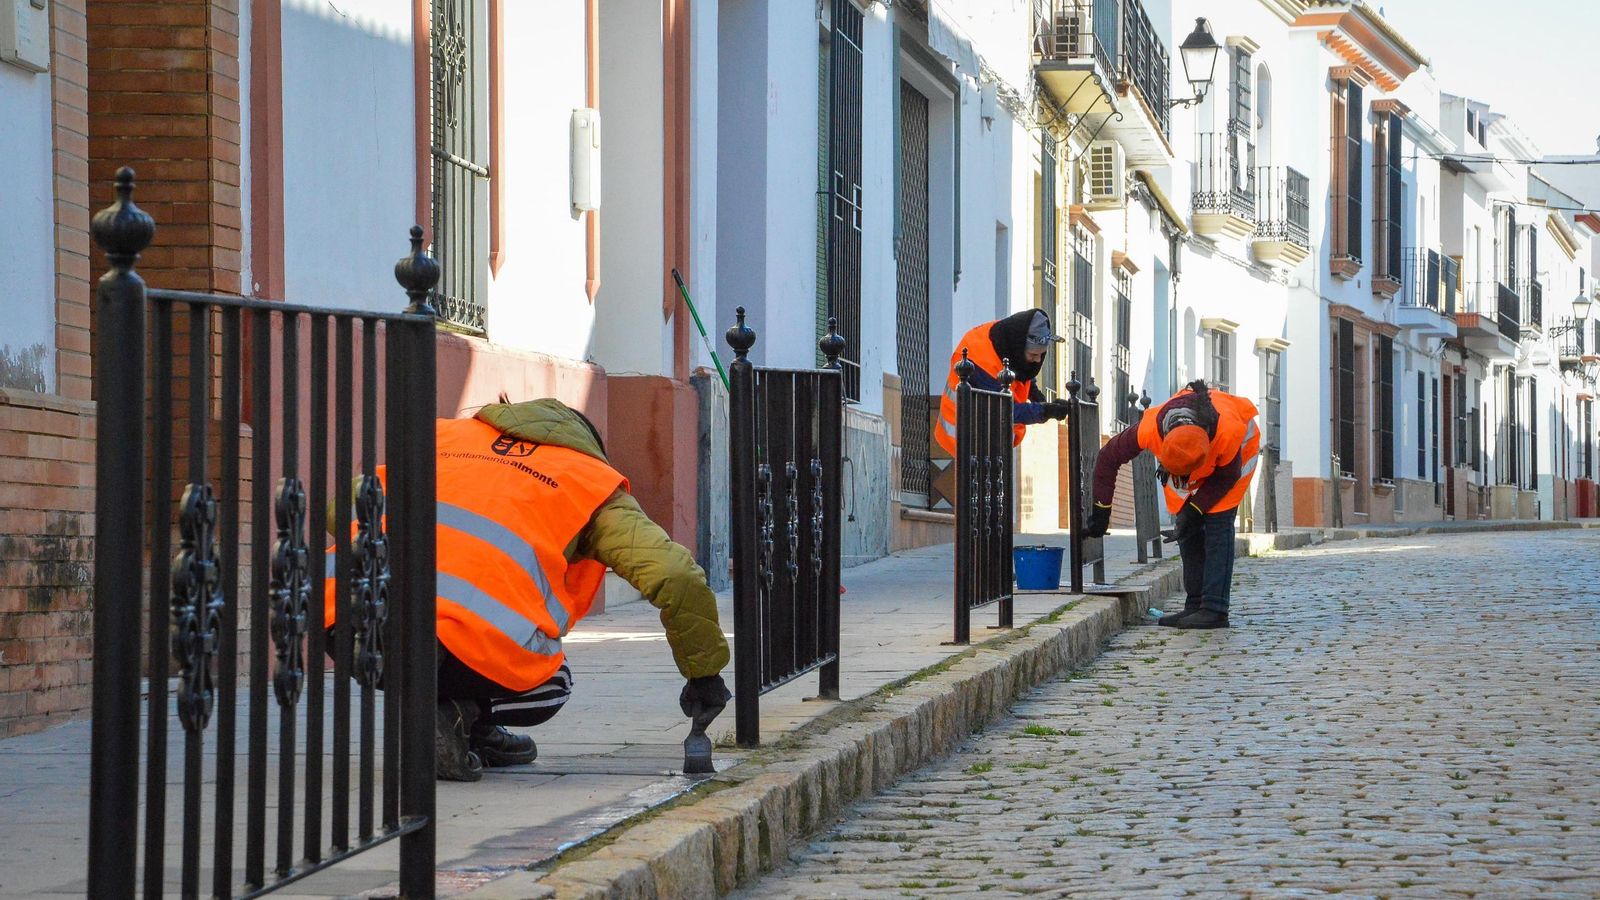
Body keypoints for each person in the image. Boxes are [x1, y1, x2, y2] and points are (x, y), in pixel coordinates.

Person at [326, 397, 731, 781]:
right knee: (555, 684)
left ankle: (464, 723)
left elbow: (340, 508)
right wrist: (704, 675)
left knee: (416, 634)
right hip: (467, 649)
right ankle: (461, 712)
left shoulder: (444, 437)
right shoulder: (588, 480)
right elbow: (676, 574)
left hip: (352, 625)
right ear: (586, 445)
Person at [1082, 380, 1260, 629]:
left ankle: (1215, 609)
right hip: (1195, 460)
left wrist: (1196, 508)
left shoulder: (1228, 431)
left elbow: (1225, 477)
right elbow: (1108, 457)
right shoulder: (1149, 428)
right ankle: (1195, 605)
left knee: (1217, 524)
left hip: (1238, 456)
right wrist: (1101, 511)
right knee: (1187, 529)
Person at [935, 309, 1070, 456]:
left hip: (988, 440)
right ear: (1019, 348)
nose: (1038, 360)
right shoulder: (980, 363)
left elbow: (1021, 370)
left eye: (1041, 354)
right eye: (1033, 354)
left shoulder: (1008, 338)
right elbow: (1003, 409)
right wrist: (1045, 410)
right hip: (965, 439)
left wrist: (1036, 395)